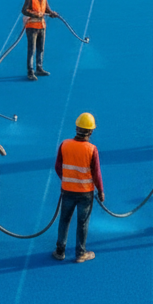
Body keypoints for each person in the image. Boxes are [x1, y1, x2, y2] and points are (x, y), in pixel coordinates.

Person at [53, 112, 105, 263]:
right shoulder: (91, 149)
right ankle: (80, 253)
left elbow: (58, 167)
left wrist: (67, 180)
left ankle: (60, 251)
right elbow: (96, 173)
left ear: (76, 128)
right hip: (85, 194)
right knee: (82, 223)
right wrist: (100, 190)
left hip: (67, 191)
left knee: (64, 220)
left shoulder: (65, 144)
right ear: (90, 131)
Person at [22, 0, 58, 81]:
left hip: (42, 27)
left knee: (40, 49)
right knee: (32, 50)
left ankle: (39, 68)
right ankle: (30, 72)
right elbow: (24, 10)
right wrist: (34, 14)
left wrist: (52, 13)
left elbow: (47, 9)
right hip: (32, 28)